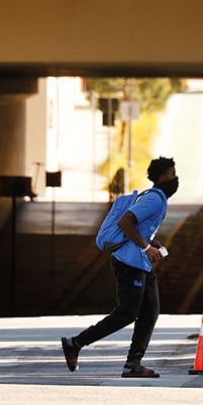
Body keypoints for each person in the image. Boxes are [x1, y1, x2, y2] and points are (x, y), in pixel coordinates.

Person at [61, 157, 178, 378]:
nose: (175, 179)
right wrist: (145, 247)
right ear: (162, 177)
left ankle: (133, 363)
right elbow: (125, 222)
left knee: (150, 311)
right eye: (172, 174)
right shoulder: (154, 199)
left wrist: (151, 242)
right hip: (130, 262)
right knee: (127, 312)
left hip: (140, 263)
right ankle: (76, 343)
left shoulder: (155, 197)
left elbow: (138, 227)